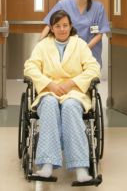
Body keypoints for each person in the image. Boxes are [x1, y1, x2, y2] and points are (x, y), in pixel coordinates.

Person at [24, 10, 100, 183]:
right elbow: (30, 67)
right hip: (49, 90)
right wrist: (49, 84)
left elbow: (93, 69)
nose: (62, 29)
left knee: (70, 107)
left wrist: (71, 83)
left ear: (70, 26)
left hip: (73, 92)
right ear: (51, 28)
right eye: (57, 26)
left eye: (65, 25)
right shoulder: (42, 46)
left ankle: (81, 168)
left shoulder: (80, 45)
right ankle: (47, 165)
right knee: (50, 105)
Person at [40, 0, 110, 68]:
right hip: (67, 56)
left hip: (90, 55)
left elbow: (99, 35)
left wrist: (83, 50)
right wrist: (39, 46)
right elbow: (49, 26)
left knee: (89, 80)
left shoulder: (98, 8)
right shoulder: (63, 4)